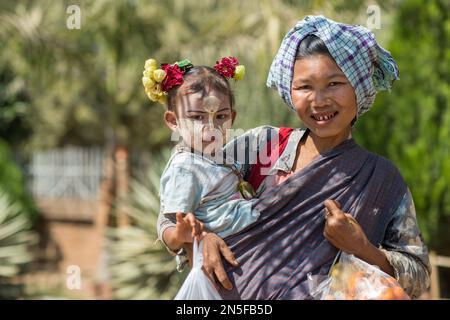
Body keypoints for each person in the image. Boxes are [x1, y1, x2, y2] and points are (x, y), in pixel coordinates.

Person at [157, 16, 431, 299]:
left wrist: (361, 247)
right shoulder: (262, 146)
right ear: (291, 92)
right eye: (304, 87)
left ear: (358, 88)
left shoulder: (380, 178)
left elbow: (418, 275)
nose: (320, 100)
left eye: (334, 83)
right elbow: (186, 206)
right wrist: (202, 240)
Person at [144, 57, 260, 270]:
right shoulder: (185, 168)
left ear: (232, 118)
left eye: (220, 116)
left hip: (251, 247)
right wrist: (180, 235)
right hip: (227, 260)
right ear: (173, 121)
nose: (211, 127)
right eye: (197, 118)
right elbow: (168, 224)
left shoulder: (218, 156)